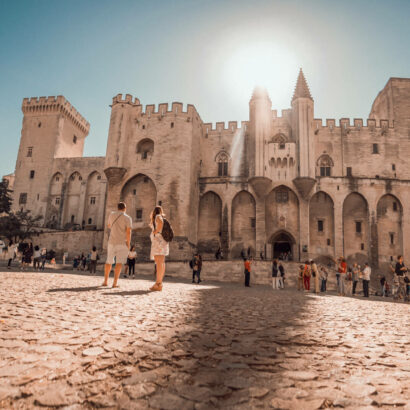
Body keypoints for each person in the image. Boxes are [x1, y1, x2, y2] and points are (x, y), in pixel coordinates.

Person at [102, 202, 132, 288]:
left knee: (108, 261)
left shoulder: (111, 215)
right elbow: (128, 232)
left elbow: (108, 225)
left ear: (118, 207)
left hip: (112, 241)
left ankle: (105, 281)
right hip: (122, 242)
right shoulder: (128, 218)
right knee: (119, 263)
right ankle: (115, 283)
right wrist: (128, 244)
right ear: (125, 208)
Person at [149, 206, 169, 291]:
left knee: (159, 263)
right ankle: (159, 283)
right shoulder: (161, 217)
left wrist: (155, 231)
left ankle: (158, 283)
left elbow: (160, 223)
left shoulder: (157, 216)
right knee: (161, 262)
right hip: (162, 242)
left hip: (158, 242)